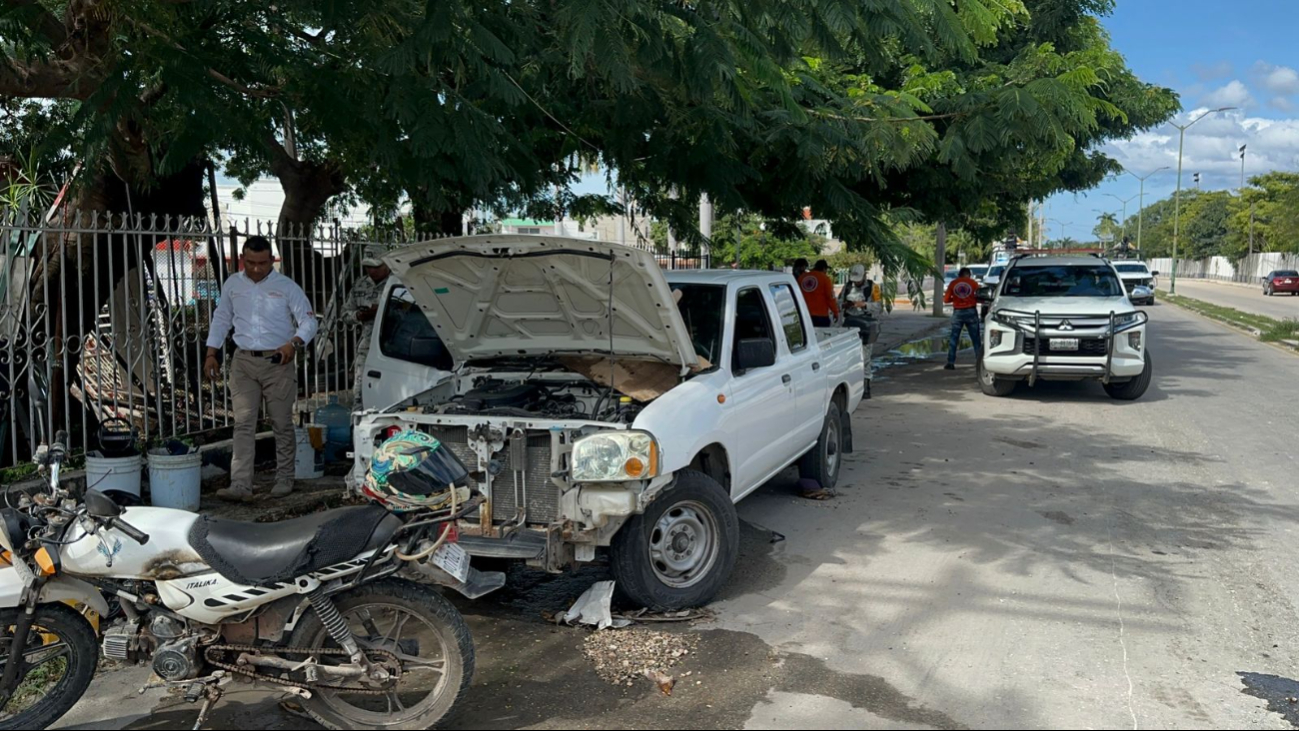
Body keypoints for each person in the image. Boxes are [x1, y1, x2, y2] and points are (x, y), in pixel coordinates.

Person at [204, 237, 318, 501]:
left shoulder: (286, 286)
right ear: (243, 259)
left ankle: (284, 478)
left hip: (278, 361)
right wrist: (212, 353)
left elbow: (308, 321)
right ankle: (240, 484)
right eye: (250, 263)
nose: (256, 269)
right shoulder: (233, 283)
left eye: (262, 263)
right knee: (243, 423)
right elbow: (221, 318)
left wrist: (294, 344)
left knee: (280, 422)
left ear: (272, 260)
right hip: (243, 361)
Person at [345, 257, 391, 406]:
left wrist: (385, 311)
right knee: (360, 390)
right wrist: (359, 315)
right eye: (368, 267)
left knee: (390, 390)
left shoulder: (399, 282)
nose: (372, 271)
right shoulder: (360, 285)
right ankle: (358, 424)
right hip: (367, 346)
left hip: (394, 346)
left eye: (376, 267)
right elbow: (345, 314)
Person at [943, 266, 982, 370]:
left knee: (954, 338)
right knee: (976, 339)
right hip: (971, 311)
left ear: (959, 275)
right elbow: (979, 296)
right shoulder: (974, 283)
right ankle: (980, 363)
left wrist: (955, 298)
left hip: (958, 313)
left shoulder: (953, 283)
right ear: (968, 275)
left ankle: (950, 362)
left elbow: (946, 300)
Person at [796, 259, 841, 327]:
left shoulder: (801, 278)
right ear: (824, 268)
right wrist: (835, 312)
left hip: (804, 315)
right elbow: (830, 298)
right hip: (820, 316)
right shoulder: (825, 279)